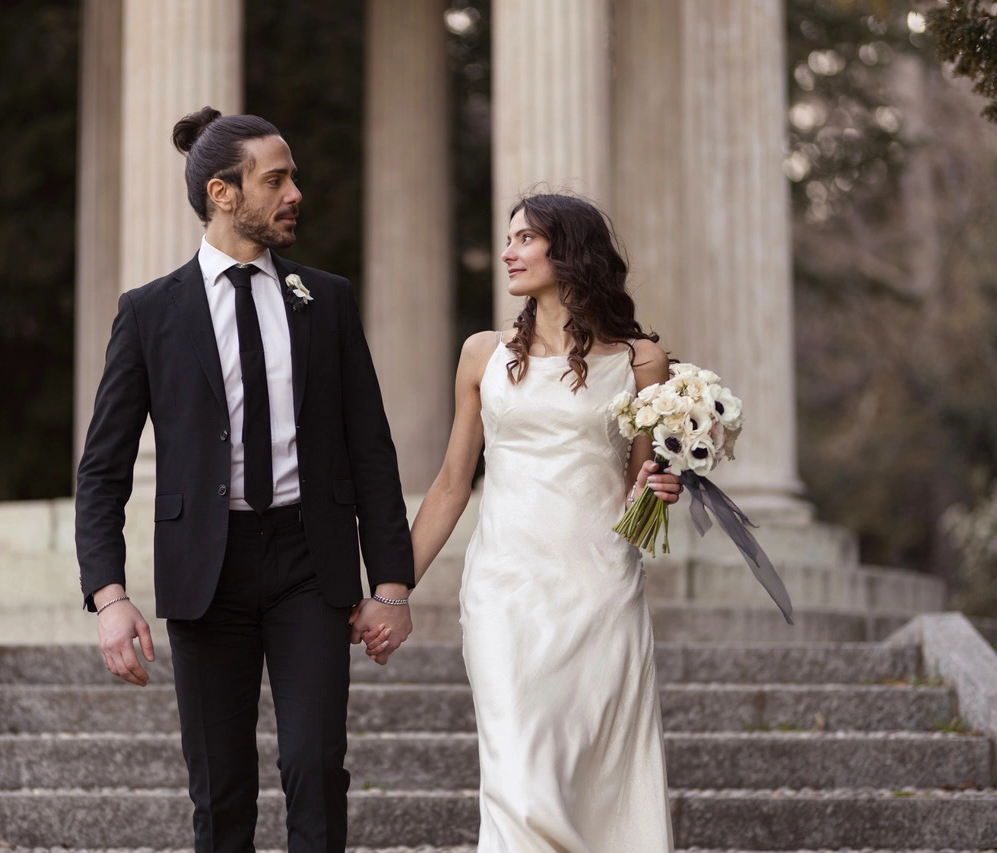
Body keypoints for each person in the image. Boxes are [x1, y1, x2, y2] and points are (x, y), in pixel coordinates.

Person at [75, 107, 414, 853]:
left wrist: (391, 584)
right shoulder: (149, 313)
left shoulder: (327, 300)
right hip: (207, 571)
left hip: (309, 564)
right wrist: (108, 594)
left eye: (293, 178)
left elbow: (370, 447)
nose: (296, 194)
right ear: (223, 193)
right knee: (221, 789)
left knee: (315, 768)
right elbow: (103, 468)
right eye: (276, 180)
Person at [362, 192, 682, 851]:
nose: (508, 251)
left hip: (600, 589)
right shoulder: (482, 353)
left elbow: (637, 495)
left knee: (595, 778)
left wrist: (661, 490)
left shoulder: (641, 360)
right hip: (504, 588)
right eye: (509, 238)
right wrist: (391, 591)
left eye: (525, 238)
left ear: (570, 251)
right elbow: (452, 484)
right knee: (519, 776)